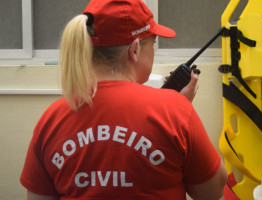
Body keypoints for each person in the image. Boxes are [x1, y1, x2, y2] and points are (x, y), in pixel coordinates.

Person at [20, 0, 227, 199]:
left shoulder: (51, 119)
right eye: (152, 44)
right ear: (135, 49)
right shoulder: (175, 110)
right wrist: (179, 111)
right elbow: (212, 191)